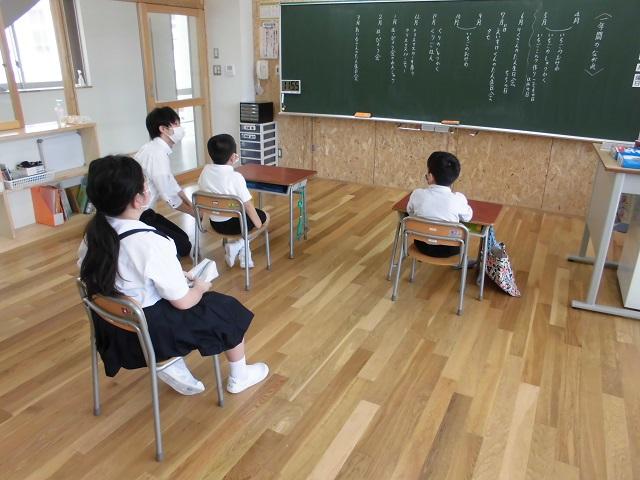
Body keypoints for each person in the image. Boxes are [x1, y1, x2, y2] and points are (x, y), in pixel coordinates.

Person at [79, 155, 269, 395]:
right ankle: (239, 376)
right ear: (139, 198)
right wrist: (200, 287)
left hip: (113, 330)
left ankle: (170, 363)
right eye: (145, 183)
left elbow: (127, 274)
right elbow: (184, 302)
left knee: (191, 297)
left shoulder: (91, 236)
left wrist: (173, 274)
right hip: (151, 334)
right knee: (226, 309)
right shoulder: (151, 243)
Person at [198, 134, 267, 269]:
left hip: (214, 222)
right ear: (233, 157)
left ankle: (244, 255)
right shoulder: (235, 177)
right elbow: (248, 205)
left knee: (246, 216)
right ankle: (237, 245)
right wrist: (258, 225)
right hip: (234, 224)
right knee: (261, 217)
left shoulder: (205, 171)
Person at [134, 107, 193, 257]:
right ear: (163, 129)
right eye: (176, 124)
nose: (180, 128)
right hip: (138, 215)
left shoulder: (153, 148)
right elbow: (168, 195)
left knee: (183, 239)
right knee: (183, 246)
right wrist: (193, 213)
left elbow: (170, 182)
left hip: (144, 211)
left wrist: (190, 205)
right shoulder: (157, 154)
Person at [407, 151, 473, 257]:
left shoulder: (417, 194)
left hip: (421, 245)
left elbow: (410, 212)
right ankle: (465, 264)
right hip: (450, 248)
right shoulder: (458, 199)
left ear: (430, 176)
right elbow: (467, 217)